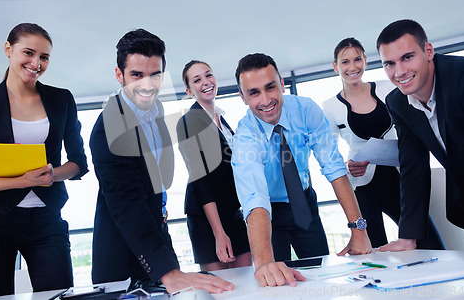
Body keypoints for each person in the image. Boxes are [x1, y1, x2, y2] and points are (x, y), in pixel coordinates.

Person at [89, 28, 234, 294]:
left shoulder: (157, 111)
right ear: (119, 75)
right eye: (136, 75)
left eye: (154, 75)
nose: (147, 85)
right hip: (123, 257)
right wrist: (167, 271)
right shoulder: (109, 127)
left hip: (158, 241)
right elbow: (127, 203)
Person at [231, 53, 372, 288]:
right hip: (268, 215)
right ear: (243, 98)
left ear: (282, 85)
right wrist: (264, 263)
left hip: (304, 204)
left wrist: (359, 229)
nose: (265, 100)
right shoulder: (245, 136)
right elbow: (255, 197)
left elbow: (334, 167)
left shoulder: (305, 110)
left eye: (270, 87)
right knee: (275, 283)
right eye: (254, 93)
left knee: (320, 277)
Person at [0, 23, 88, 297]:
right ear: (8, 50)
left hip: (47, 218)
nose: (36, 63)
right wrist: (21, 181)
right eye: (28, 52)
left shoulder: (61, 100)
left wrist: (52, 175)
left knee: (58, 294)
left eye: (44, 57)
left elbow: (79, 163)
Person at [322, 37, 444, 250]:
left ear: (366, 61)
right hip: (362, 185)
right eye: (345, 62)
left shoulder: (388, 89)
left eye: (357, 59)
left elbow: (413, 125)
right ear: (335, 66)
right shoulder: (330, 106)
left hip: (399, 179)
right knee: (374, 250)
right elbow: (328, 152)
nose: (353, 67)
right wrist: (347, 165)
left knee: (429, 242)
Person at [376, 19, 464, 252]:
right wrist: (408, 237)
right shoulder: (397, 102)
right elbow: (413, 166)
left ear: (428, 51)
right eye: (389, 63)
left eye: (407, 57)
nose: (399, 72)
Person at [176, 60, 252, 272]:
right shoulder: (189, 122)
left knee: (247, 281)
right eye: (197, 80)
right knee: (220, 289)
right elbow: (200, 178)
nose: (206, 82)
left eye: (208, 75)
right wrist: (219, 233)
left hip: (231, 211)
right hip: (207, 218)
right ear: (189, 90)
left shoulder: (222, 119)